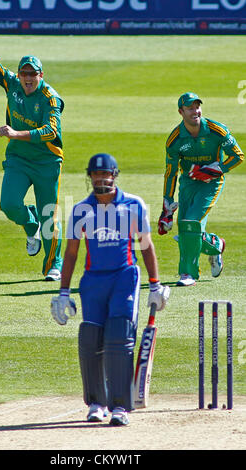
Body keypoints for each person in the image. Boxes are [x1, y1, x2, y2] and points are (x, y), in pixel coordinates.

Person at [51, 153, 170, 426]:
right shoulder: (81, 210)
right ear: (89, 177)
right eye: (96, 175)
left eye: (106, 175)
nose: (101, 179)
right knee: (90, 340)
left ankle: (120, 406)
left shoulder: (133, 205)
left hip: (124, 278)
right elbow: (70, 253)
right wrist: (63, 293)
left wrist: (155, 284)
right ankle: (96, 402)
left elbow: (147, 245)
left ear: (115, 176)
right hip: (93, 281)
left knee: (119, 338)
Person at [0, 6, 64, 281]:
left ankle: (53, 266)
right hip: (19, 160)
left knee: (50, 216)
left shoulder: (50, 99)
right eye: (24, 73)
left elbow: (51, 131)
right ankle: (29, 222)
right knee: (9, 204)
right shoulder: (12, 84)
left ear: (41, 76)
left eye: (32, 74)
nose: (27, 78)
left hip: (47, 161)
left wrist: (15, 134)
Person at [158, 92, 244, 287]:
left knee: (191, 222)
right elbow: (170, 172)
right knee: (186, 230)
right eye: (190, 108)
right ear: (181, 112)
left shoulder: (216, 130)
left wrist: (215, 170)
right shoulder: (175, 140)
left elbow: (238, 156)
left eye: (197, 106)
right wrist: (167, 205)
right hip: (188, 183)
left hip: (211, 183)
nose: (195, 111)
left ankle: (188, 274)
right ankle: (215, 246)